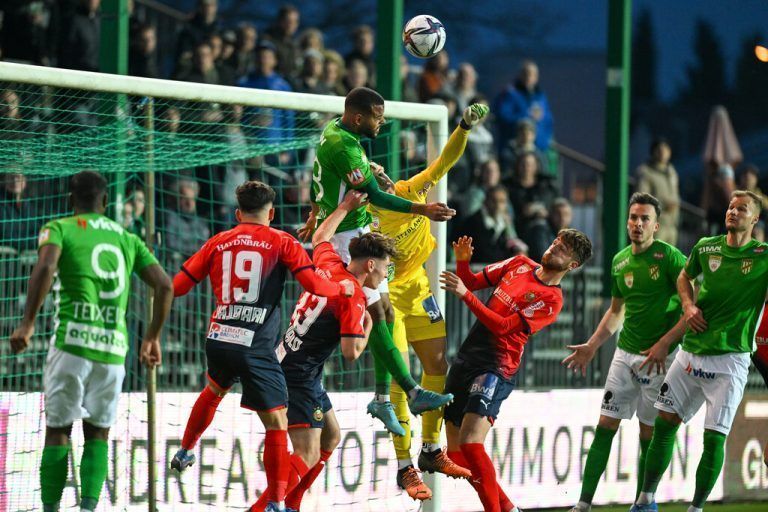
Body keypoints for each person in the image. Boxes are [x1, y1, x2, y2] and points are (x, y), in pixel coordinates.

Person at [169, 181, 354, 512]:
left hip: (219, 338)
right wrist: (341, 290)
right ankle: (275, 503)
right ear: (272, 212)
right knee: (277, 425)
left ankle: (185, 449)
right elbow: (312, 282)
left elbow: (178, 286)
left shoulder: (217, 242)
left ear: (238, 213)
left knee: (212, 391)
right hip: (256, 348)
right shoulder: (282, 241)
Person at [8, 170, 174, 512]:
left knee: (58, 430)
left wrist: (27, 323)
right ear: (104, 202)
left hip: (71, 344)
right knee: (98, 433)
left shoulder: (60, 228)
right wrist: (152, 337)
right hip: (113, 351)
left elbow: (45, 266)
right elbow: (165, 285)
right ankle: (87, 509)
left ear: (71, 201)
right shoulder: (126, 238)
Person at [297, 86, 456, 434]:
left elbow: (319, 176)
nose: (381, 124)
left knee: (383, 309)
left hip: (349, 230)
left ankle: (388, 396)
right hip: (345, 240)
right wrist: (422, 209)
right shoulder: (346, 147)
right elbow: (376, 195)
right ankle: (401, 394)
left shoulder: (335, 132)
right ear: (358, 117)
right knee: (377, 310)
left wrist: (315, 213)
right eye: (377, 117)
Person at [368, 104, 489, 499]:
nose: (382, 175)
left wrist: (464, 126)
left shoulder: (409, 189)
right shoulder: (367, 219)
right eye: (373, 176)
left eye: (380, 171)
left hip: (419, 289)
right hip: (387, 299)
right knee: (401, 378)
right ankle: (405, 467)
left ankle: (431, 449)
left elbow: (444, 161)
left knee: (438, 364)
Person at [631, 190, 768, 512]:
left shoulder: (764, 255)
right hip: (691, 352)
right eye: (731, 207)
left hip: (731, 359)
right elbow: (683, 276)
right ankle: (645, 500)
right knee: (664, 423)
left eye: (742, 209)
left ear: (756, 218)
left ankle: (696, 508)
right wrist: (689, 304)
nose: (733, 212)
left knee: (714, 438)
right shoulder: (706, 247)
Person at [440, 230, 592, 512]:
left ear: (573, 266)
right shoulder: (519, 263)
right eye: (556, 242)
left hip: (497, 365)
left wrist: (463, 295)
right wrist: (462, 263)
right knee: (457, 454)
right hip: (467, 356)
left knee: (472, 443)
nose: (555, 247)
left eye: (564, 249)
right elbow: (471, 282)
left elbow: (502, 326)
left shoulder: (551, 300)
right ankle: (509, 509)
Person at [249, 191, 377, 512]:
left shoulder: (331, 263)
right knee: (305, 454)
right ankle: (264, 508)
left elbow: (321, 235)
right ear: (371, 265)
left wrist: (345, 206)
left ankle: (291, 504)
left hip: (293, 361)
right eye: (386, 268)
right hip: (299, 374)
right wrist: (369, 326)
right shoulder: (354, 297)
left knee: (331, 436)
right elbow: (351, 353)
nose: (386, 275)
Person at [562, 193, 687, 512]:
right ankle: (582, 504)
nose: (637, 223)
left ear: (656, 225)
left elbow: (692, 309)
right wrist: (592, 345)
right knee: (605, 425)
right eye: (633, 217)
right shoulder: (620, 260)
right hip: (625, 354)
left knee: (649, 433)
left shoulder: (671, 258)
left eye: (645, 219)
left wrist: (666, 344)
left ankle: (646, 500)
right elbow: (616, 311)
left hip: (660, 359)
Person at [494, 59, 554, 155]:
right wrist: (527, 115)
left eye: (533, 74)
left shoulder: (541, 96)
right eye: (526, 73)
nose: (529, 77)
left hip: (538, 149)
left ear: (537, 77)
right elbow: (502, 116)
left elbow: (548, 121)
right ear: (520, 75)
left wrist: (545, 142)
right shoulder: (510, 94)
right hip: (515, 150)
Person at [635, 138, 681, 246]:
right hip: (655, 226)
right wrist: (664, 205)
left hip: (672, 225)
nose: (662, 153)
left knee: (670, 259)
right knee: (653, 259)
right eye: (659, 150)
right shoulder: (645, 172)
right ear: (653, 152)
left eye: (666, 150)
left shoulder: (672, 172)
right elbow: (642, 198)